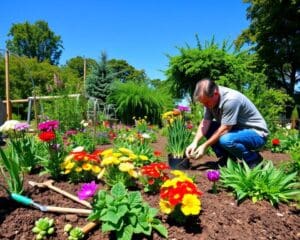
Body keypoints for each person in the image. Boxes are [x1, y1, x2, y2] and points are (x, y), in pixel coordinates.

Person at [185, 78, 269, 168]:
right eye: (203, 103)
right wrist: (195, 142)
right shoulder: (210, 99)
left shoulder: (231, 99)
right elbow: (205, 122)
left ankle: (253, 160)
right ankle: (228, 159)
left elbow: (225, 129)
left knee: (226, 139)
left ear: (215, 94)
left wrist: (204, 146)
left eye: (206, 102)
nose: (205, 105)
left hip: (256, 134)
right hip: (236, 130)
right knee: (210, 128)